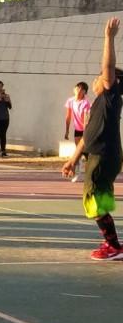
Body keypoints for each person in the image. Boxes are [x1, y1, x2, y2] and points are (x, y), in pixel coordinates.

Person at [61, 17, 123, 261]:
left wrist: (109, 38)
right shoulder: (99, 104)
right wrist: (73, 159)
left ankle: (114, 247)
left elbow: (108, 68)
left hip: (104, 156)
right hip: (101, 155)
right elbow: (87, 136)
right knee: (101, 199)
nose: (96, 79)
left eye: (100, 77)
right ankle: (112, 242)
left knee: (93, 199)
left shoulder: (110, 96)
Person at [65, 82, 91, 182]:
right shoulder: (70, 101)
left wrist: (86, 133)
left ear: (84, 92)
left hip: (86, 129)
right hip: (77, 130)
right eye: (77, 88)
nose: (78, 90)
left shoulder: (86, 103)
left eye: (81, 89)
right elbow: (68, 117)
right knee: (78, 152)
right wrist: (67, 131)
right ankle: (77, 173)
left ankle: (91, 173)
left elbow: (86, 119)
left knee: (86, 152)